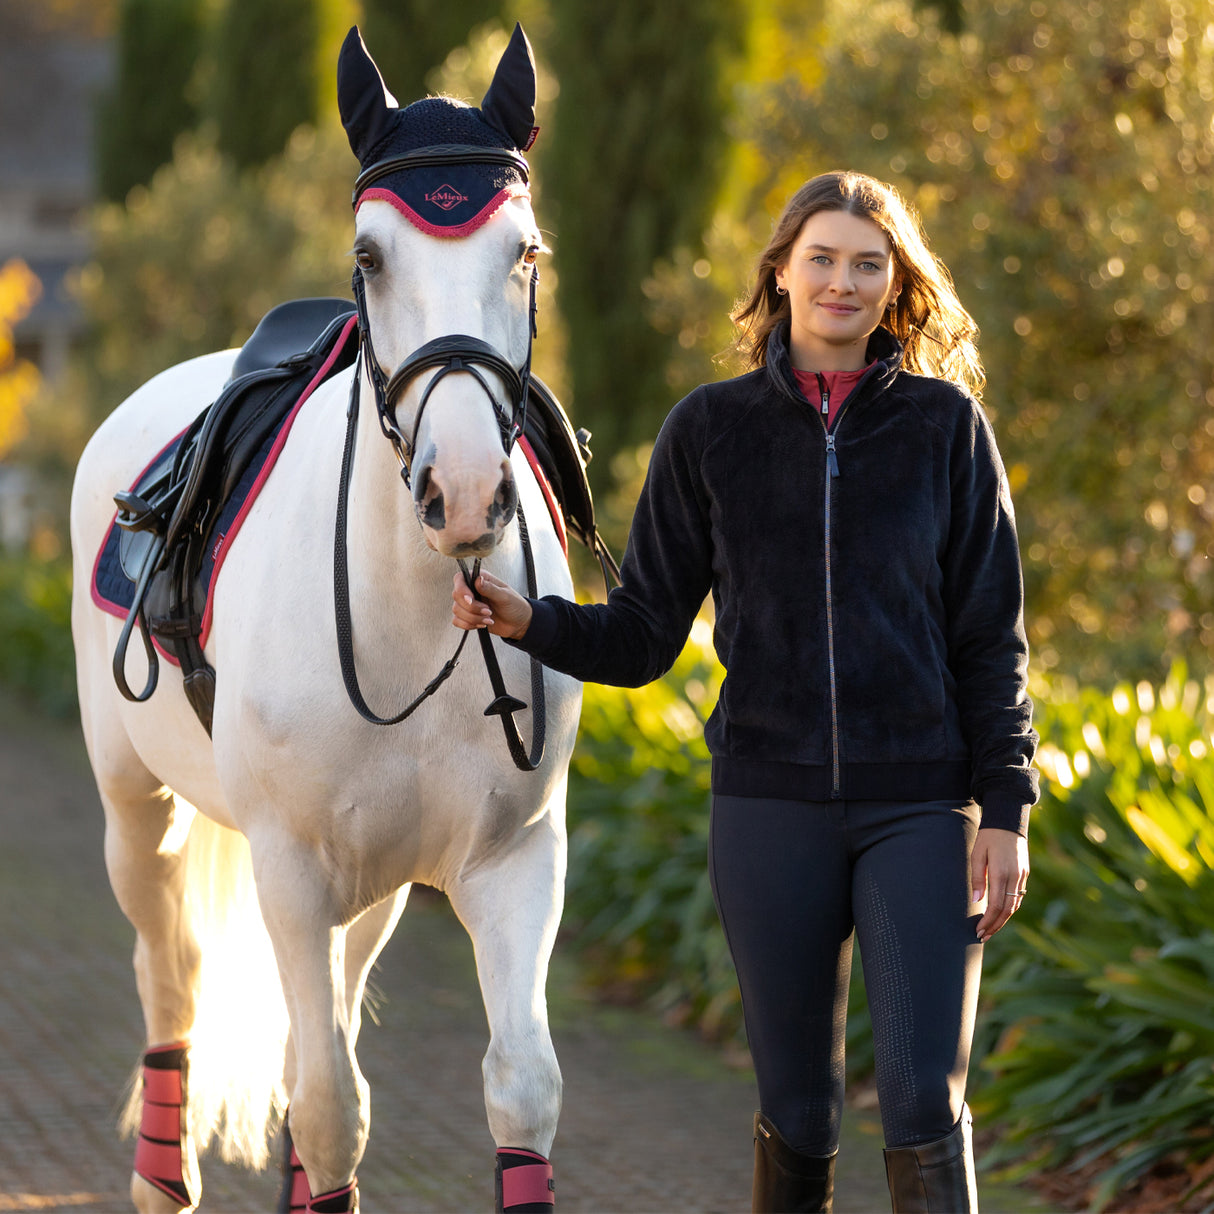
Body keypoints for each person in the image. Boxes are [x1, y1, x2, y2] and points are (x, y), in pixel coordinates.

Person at [452, 169, 1037, 1214]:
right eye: (821, 258)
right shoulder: (708, 430)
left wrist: (1003, 808)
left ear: (895, 283)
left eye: (867, 263)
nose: (842, 282)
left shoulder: (946, 431)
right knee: (799, 1109)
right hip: (767, 807)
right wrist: (530, 619)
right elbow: (642, 634)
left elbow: (991, 637)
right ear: (779, 268)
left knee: (917, 1097)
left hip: (919, 803)